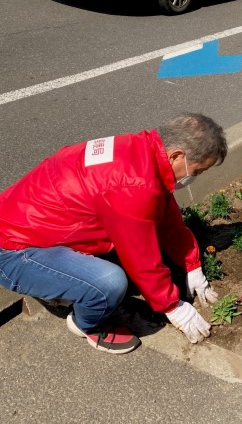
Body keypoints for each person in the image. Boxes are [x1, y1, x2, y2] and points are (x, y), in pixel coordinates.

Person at [0, 113, 228, 354]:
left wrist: (191, 264)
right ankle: (86, 324)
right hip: (13, 250)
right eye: (198, 170)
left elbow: (165, 215)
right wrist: (173, 307)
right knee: (110, 283)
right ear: (176, 156)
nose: (196, 176)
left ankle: (64, 283)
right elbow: (140, 256)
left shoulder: (141, 152)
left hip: (31, 225)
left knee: (136, 264)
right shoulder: (132, 184)